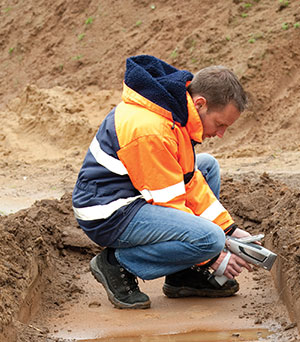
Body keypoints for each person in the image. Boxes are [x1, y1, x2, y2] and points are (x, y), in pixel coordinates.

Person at [71, 55, 253, 309]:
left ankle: (183, 275)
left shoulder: (175, 113)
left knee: (207, 166)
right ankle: (116, 264)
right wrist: (213, 255)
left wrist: (230, 230)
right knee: (209, 239)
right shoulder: (152, 128)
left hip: (131, 194)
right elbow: (171, 205)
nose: (220, 134)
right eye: (220, 124)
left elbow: (189, 181)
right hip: (108, 212)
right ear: (200, 104)